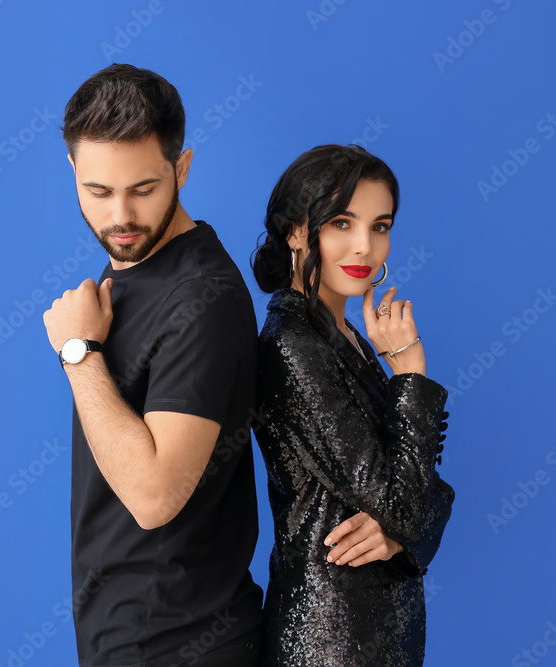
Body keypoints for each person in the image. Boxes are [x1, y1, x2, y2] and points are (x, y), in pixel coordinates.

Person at [42, 63, 263, 667]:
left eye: (143, 190)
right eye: (98, 191)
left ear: (182, 169)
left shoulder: (201, 301)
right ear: (73, 173)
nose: (121, 217)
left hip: (184, 645)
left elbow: (154, 495)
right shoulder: (130, 270)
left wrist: (77, 353)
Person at [249, 144, 455, 667]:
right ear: (296, 231)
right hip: (330, 636)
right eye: (342, 223)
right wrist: (409, 372)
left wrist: (399, 535)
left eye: (380, 226)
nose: (364, 246)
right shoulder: (292, 343)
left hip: (377, 626)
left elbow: (421, 495)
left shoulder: (344, 336)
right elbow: (401, 499)